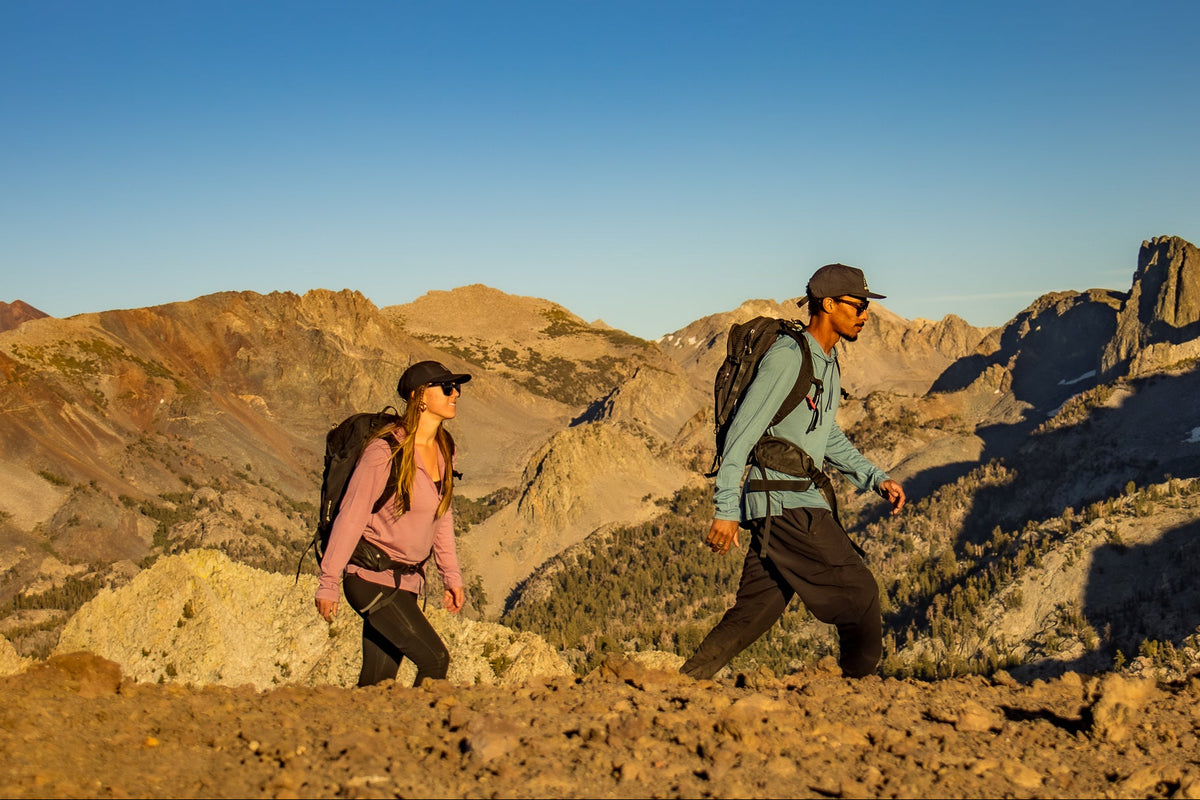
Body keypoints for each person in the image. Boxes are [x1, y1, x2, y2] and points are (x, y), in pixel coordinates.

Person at [681, 263, 906, 680]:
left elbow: (826, 435)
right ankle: (858, 692)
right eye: (858, 305)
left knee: (756, 609)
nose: (865, 314)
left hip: (790, 497)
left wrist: (876, 478)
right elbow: (741, 435)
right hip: (783, 499)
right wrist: (726, 508)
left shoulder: (829, 361)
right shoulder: (788, 356)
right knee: (860, 594)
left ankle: (681, 683)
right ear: (829, 303)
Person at [315, 360, 469, 687]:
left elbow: (440, 516)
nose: (455, 393)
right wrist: (329, 581)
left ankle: (356, 737)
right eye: (446, 387)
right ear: (419, 396)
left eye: (456, 387)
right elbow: (352, 515)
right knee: (435, 659)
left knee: (378, 681)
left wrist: (451, 576)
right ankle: (423, 737)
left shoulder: (445, 448)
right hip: (370, 578)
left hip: (408, 583)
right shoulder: (384, 450)